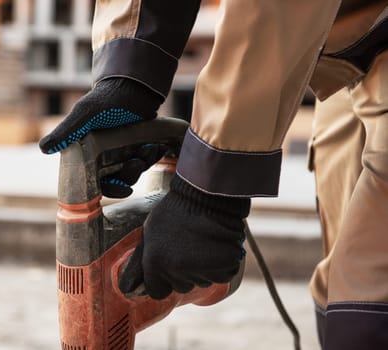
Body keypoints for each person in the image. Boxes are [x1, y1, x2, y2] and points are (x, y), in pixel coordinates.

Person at [39, 1, 388, 349]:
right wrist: (130, 70)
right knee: (332, 293)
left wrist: (208, 191)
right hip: (347, 47)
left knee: (365, 311)